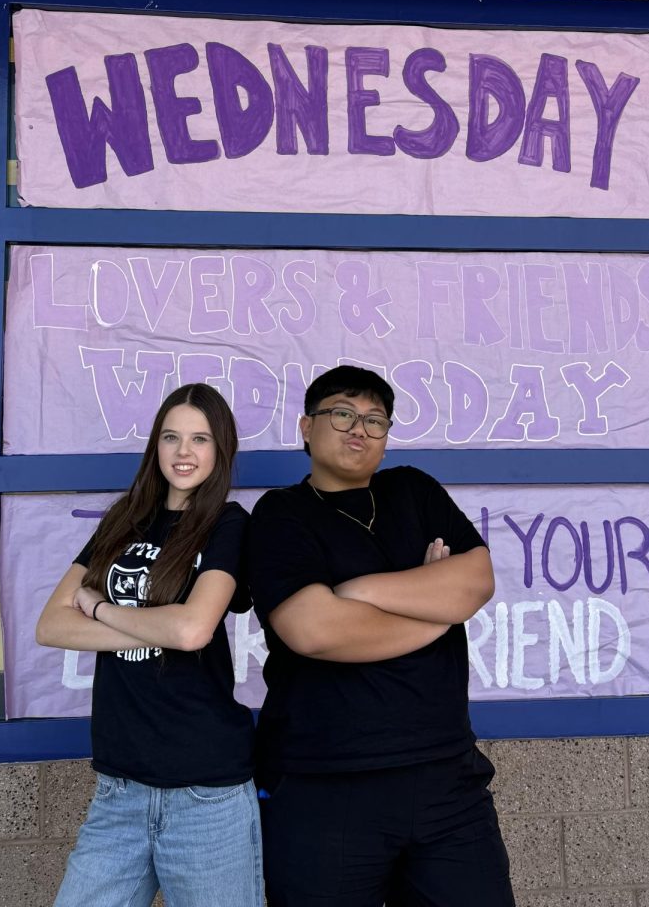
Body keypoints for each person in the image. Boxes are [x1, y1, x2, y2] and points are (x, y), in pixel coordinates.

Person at [248, 365, 515, 907]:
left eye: (375, 420)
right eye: (342, 413)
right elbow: (315, 630)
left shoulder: (414, 490)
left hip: (447, 781)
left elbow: (475, 581)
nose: (359, 430)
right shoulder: (279, 514)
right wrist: (433, 603)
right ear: (306, 426)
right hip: (326, 785)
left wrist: (356, 591)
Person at [36, 383, 263, 907]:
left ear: (220, 449)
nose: (184, 452)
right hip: (120, 788)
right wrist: (152, 625)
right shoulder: (123, 519)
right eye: (171, 437)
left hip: (206, 794)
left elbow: (192, 632)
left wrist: (97, 607)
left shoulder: (227, 524)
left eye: (200, 439)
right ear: (155, 447)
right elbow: (50, 625)